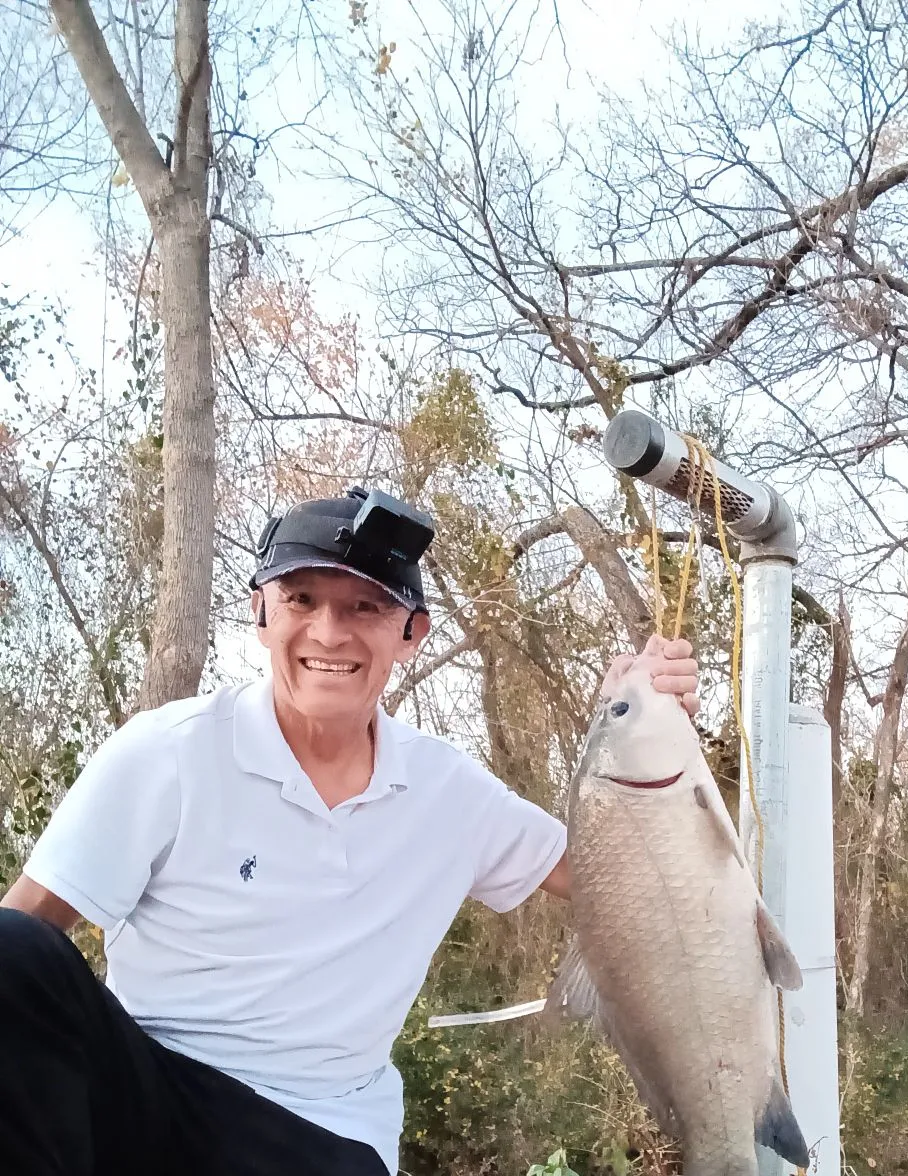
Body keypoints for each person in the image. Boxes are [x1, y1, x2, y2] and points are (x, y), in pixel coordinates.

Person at [0, 486, 699, 1176]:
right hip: (153, 1094)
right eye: (301, 599)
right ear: (260, 613)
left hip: (320, 1132)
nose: (330, 632)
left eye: (365, 606)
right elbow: (24, 945)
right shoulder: (166, 753)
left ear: (410, 635)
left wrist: (638, 728)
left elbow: (609, 875)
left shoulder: (449, 792)